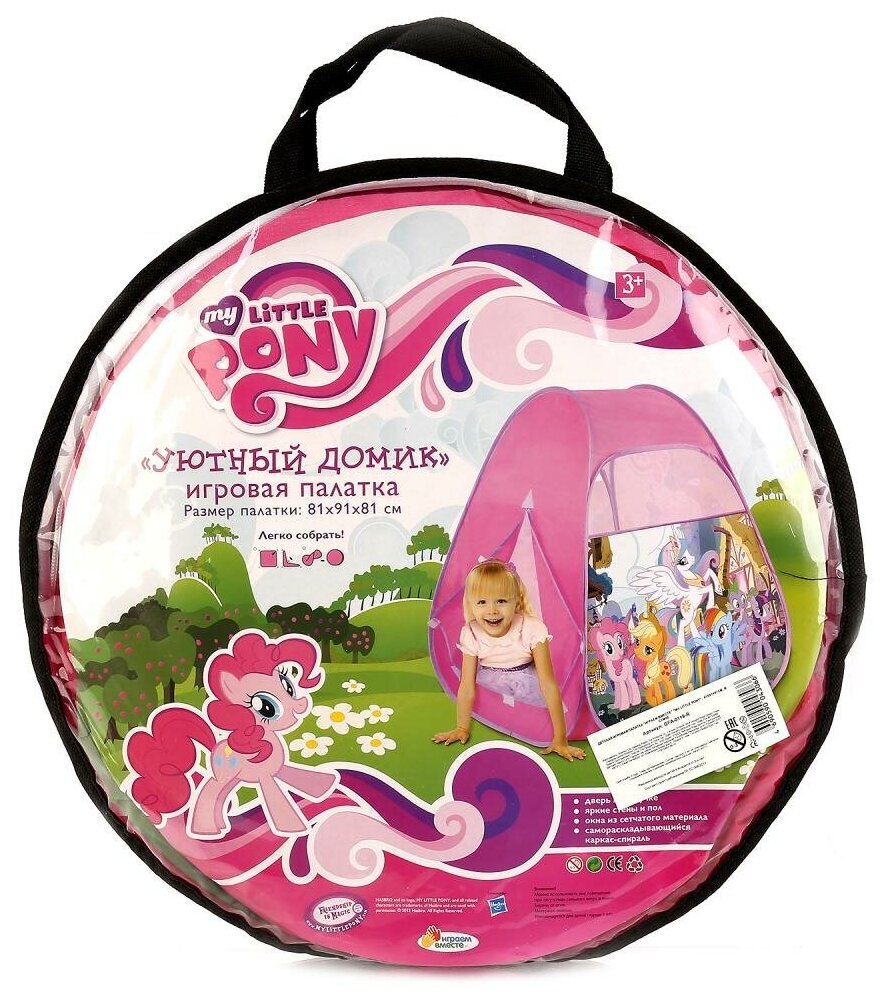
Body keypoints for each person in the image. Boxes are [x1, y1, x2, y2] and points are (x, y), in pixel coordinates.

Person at [432, 559, 585, 761]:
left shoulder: (531, 628)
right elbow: (467, 685)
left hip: (526, 679)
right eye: (482, 602)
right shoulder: (471, 632)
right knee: (494, 723)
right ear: (470, 603)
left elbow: (547, 683)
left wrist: (560, 738)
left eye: (501, 601)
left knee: (532, 722)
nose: (492, 610)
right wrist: (462, 727)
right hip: (488, 682)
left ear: (516, 601)